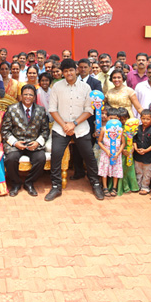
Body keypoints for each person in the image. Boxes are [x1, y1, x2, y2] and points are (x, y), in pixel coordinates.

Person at [48, 59, 104, 201]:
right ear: (62, 73)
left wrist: (73, 124)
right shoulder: (56, 87)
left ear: (76, 70)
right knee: (56, 155)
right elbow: (53, 110)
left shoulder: (85, 88)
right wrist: (65, 125)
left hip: (81, 127)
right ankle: (56, 186)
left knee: (89, 156)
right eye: (65, 71)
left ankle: (95, 183)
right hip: (60, 127)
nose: (69, 73)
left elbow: (89, 110)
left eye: (71, 70)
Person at [2, 84, 50, 197]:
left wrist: (38, 142)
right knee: (11, 159)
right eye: (25, 95)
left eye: (30, 95)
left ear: (34, 97)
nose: (28, 97)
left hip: (33, 143)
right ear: (21, 96)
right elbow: (5, 130)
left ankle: (29, 183)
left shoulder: (41, 110)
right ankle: (16, 183)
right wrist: (15, 143)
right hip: (16, 143)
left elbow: (45, 130)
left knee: (41, 158)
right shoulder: (12, 109)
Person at [97, 107, 124, 197]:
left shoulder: (120, 130)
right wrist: (106, 150)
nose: (113, 121)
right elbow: (100, 141)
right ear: (107, 118)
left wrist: (118, 152)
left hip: (116, 154)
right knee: (105, 170)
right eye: (111, 118)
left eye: (115, 119)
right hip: (106, 153)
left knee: (115, 170)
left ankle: (114, 188)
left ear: (119, 119)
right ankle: (105, 187)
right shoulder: (104, 129)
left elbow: (123, 143)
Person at [133, 109, 151, 195]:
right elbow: (134, 139)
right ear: (140, 118)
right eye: (143, 118)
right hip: (137, 154)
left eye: (148, 119)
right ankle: (137, 185)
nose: (145, 121)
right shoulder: (137, 128)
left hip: (149, 155)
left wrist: (146, 150)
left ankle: (145, 187)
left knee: (148, 172)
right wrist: (136, 149)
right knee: (138, 171)